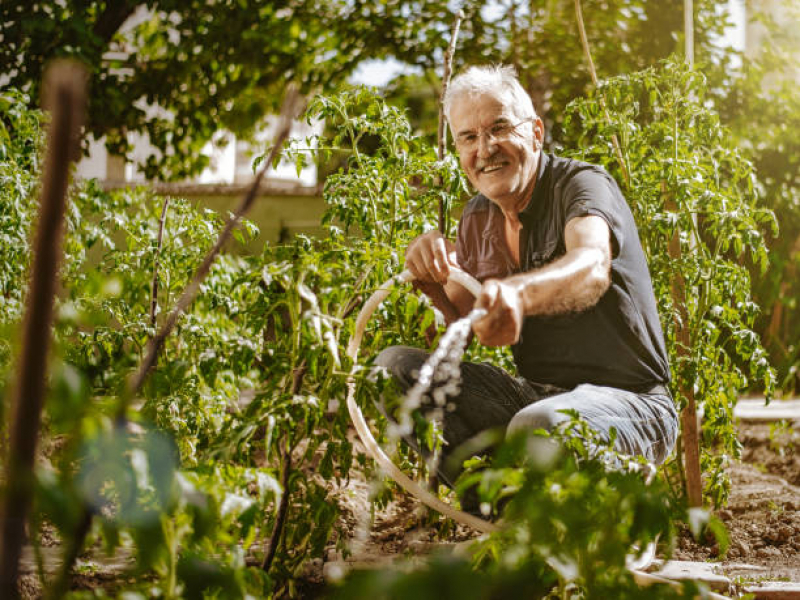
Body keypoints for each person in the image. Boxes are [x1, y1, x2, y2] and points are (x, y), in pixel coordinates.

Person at [375, 65, 678, 491]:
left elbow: (591, 265)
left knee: (539, 426)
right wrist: (430, 286)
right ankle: (500, 516)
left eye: (499, 128)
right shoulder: (478, 217)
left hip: (634, 404)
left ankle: (605, 520)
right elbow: (453, 329)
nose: (486, 148)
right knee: (393, 370)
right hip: (536, 398)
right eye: (469, 137)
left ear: (535, 132)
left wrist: (519, 293)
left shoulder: (580, 186)